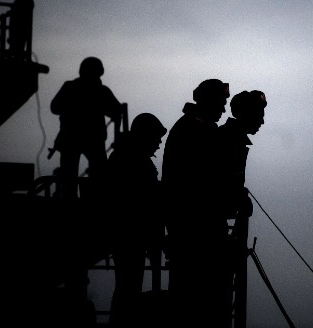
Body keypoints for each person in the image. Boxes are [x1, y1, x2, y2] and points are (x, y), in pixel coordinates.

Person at [160, 78, 231, 327]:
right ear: (209, 101)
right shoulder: (195, 130)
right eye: (221, 103)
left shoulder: (190, 127)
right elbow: (202, 181)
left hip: (189, 226)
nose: (224, 109)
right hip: (194, 230)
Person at [106, 113, 168, 326]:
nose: (159, 144)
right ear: (146, 136)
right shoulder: (134, 160)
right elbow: (142, 203)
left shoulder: (125, 156)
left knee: (126, 287)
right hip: (131, 236)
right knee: (128, 288)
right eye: (156, 138)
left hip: (129, 235)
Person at [214, 90, 267, 325]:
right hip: (207, 226)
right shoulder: (230, 140)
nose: (262, 120)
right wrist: (239, 198)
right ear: (244, 113)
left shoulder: (228, 137)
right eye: (259, 113)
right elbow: (220, 183)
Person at [50, 56, 123, 199]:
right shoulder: (100, 91)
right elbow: (117, 112)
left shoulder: (71, 87)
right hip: (89, 140)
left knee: (73, 180)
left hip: (73, 139)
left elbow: (55, 108)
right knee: (95, 178)